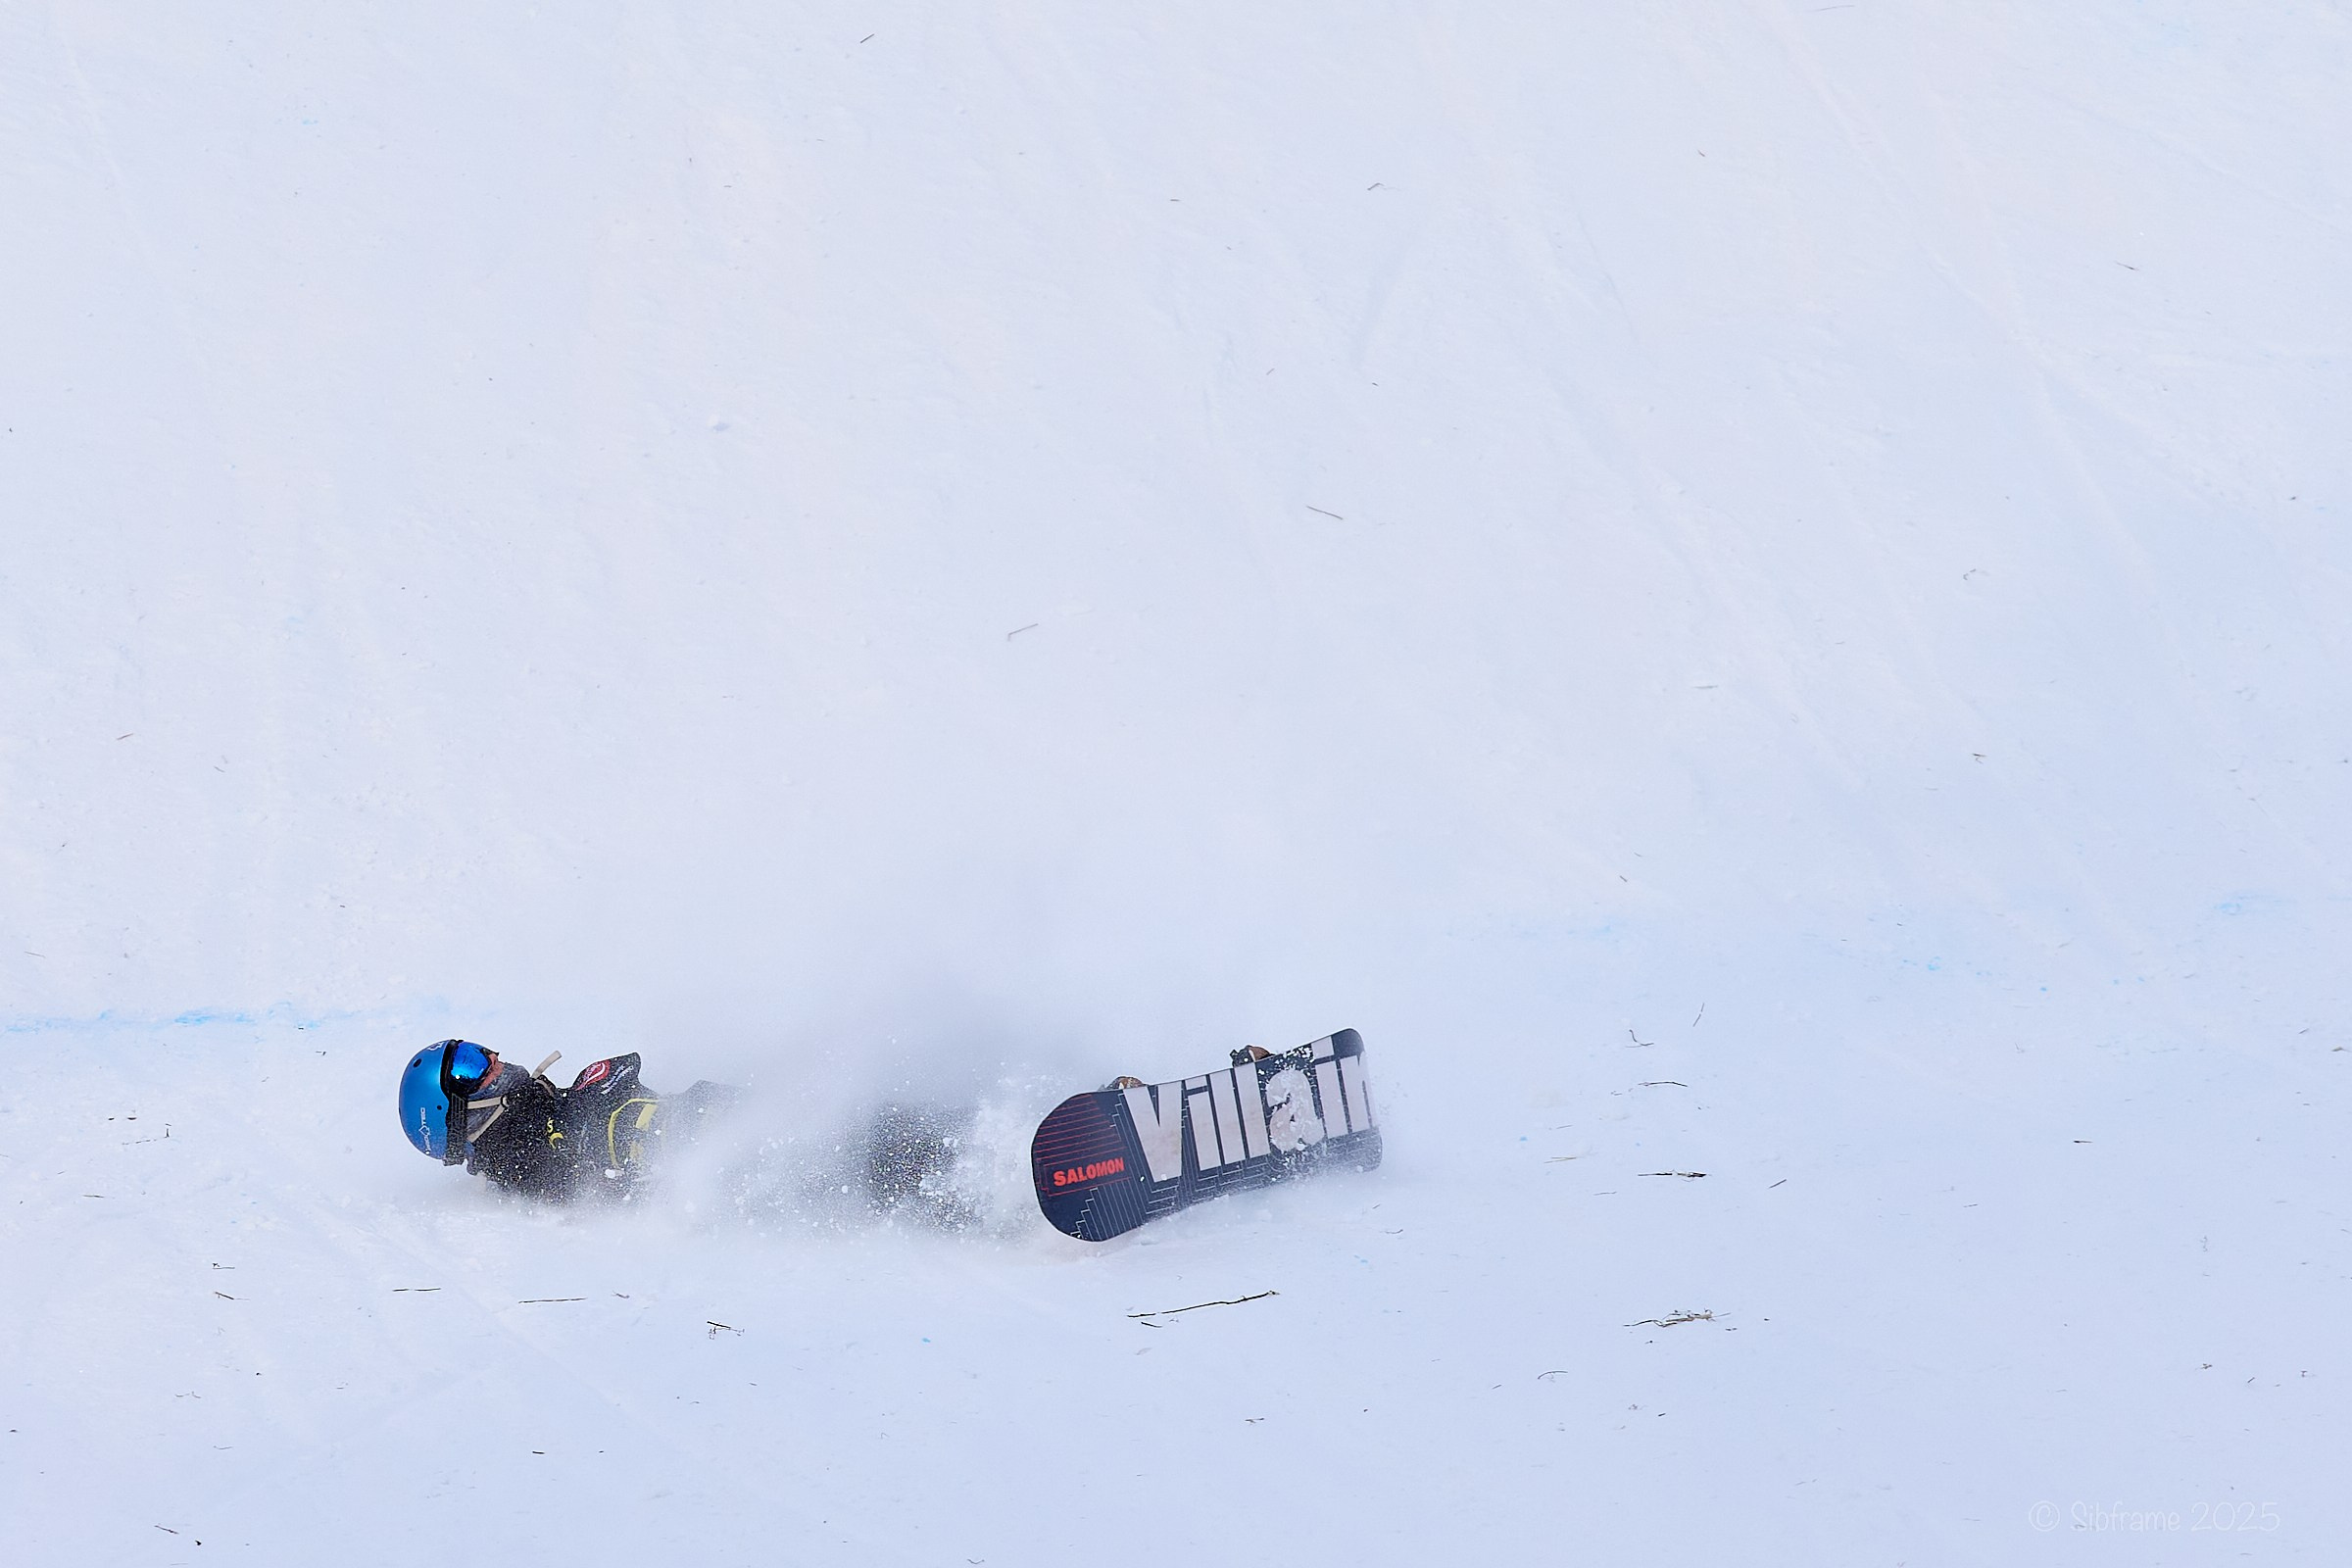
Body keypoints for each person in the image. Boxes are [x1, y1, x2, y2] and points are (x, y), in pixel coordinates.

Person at [397, 1040, 740, 1201]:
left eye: (476, 1050)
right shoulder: (531, 1157)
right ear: (457, 1115)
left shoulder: (541, 1111)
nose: (493, 1056)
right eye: (470, 1065)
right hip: (732, 1157)